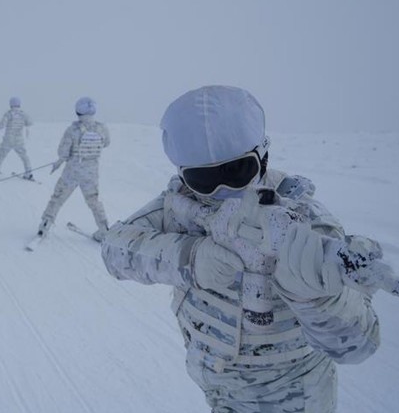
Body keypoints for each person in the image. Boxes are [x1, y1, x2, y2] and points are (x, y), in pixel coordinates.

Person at [100, 85, 380, 412]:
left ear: (262, 156)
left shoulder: (307, 222)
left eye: (235, 171)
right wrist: (188, 256)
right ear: (182, 173)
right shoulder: (180, 206)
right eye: (203, 178)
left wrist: (318, 297)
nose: (220, 191)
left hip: (291, 397)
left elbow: (359, 347)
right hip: (215, 382)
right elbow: (114, 250)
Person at [38, 97, 110, 241]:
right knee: (94, 201)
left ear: (78, 112)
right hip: (91, 172)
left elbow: (63, 153)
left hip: (72, 171)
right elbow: (106, 143)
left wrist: (63, 158)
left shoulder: (72, 130)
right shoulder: (102, 128)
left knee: (58, 198)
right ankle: (104, 230)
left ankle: (44, 226)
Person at [0, 97, 33, 180]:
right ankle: (29, 173)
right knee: (24, 156)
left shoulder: (8, 114)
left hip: (8, 139)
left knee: (1, 156)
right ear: (19, 104)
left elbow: (2, 125)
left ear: (11, 104)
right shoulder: (23, 114)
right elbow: (30, 123)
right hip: (19, 140)